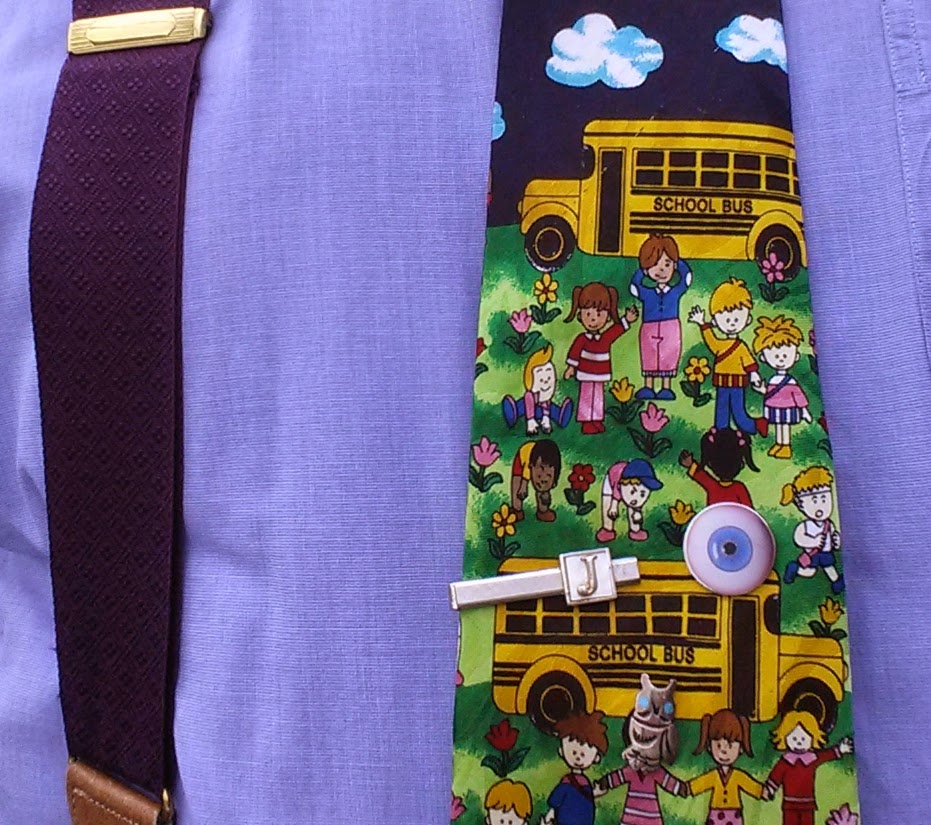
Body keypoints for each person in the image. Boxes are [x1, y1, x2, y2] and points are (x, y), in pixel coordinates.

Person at [688, 279, 767, 437]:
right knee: (721, 409)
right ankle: (720, 432)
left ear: (747, 320)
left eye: (736, 319)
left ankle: (755, 425)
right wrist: (702, 323)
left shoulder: (741, 347)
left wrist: (754, 374)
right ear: (715, 322)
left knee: (738, 412)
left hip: (738, 383)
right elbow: (711, 342)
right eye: (726, 319)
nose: (731, 323)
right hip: (722, 382)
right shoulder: (720, 344)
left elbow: (749, 363)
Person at [564, 282, 638, 435]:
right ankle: (586, 421)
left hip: (600, 374)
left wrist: (627, 320)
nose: (593, 319)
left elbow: (616, 331)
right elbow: (574, 352)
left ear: (608, 317)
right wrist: (571, 367)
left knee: (598, 397)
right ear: (580, 315)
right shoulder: (582, 338)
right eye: (588, 314)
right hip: (585, 374)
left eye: (599, 314)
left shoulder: (605, 338)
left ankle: (596, 419)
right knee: (586, 397)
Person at [629, 234, 692, 401]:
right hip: (649, 327)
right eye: (655, 264)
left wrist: (678, 262)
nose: (661, 269)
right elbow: (634, 286)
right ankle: (648, 386)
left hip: (670, 327)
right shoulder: (647, 293)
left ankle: (666, 387)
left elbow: (686, 278)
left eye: (667, 264)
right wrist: (642, 269)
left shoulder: (675, 291)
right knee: (649, 354)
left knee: (669, 355)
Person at [765, 711, 854, 825]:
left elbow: (826, 755)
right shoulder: (785, 761)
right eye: (794, 739)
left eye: (803, 739)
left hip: (808, 804)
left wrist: (840, 749)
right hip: (789, 804)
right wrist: (770, 789)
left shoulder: (812, 758)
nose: (798, 743)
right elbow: (776, 776)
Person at [689, 708, 768, 825]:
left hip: (734, 815)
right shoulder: (714, 775)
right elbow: (701, 782)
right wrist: (688, 788)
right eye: (718, 745)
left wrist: (761, 791)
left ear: (740, 748)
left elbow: (749, 784)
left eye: (730, 746)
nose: (723, 752)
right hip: (715, 815)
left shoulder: (737, 776)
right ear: (709, 746)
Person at [752, 315, 812, 458]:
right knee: (778, 425)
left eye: (785, 355)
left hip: (788, 408)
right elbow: (769, 391)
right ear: (764, 358)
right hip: (774, 407)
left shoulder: (790, 381)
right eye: (775, 356)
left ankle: (786, 446)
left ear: (796, 356)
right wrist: (761, 390)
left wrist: (804, 410)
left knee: (785, 426)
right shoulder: (773, 379)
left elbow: (799, 395)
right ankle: (779, 444)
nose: (780, 359)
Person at [780, 466, 844, 593]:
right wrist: (813, 541)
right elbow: (799, 538)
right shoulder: (806, 525)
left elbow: (833, 536)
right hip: (813, 553)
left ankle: (837, 583)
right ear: (801, 505)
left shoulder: (829, 524)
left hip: (826, 552)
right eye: (814, 501)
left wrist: (836, 541)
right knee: (810, 572)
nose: (820, 506)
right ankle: (795, 569)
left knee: (830, 568)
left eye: (824, 499)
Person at [541, 710, 609, 825]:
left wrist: (596, 793)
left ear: (596, 758)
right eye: (574, 753)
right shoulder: (567, 781)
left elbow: (585, 796)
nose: (578, 758)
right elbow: (555, 801)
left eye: (583, 754)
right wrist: (549, 818)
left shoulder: (585, 782)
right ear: (561, 751)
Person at [679, 427, 758, 507]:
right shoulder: (739, 488)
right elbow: (748, 509)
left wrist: (690, 464)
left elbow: (699, 474)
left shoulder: (713, 486)